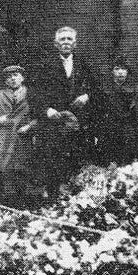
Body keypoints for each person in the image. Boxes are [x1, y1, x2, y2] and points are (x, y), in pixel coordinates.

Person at [32, 26, 100, 189]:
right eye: (62, 39)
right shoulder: (45, 65)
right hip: (55, 124)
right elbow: (35, 93)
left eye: (69, 39)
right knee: (54, 164)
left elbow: (97, 88)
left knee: (77, 163)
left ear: (75, 43)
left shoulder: (84, 64)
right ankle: (54, 202)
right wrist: (47, 110)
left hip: (79, 124)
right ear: (56, 44)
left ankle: (75, 201)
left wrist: (86, 96)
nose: (66, 42)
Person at [0, 64, 36, 204]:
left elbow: (38, 116)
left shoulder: (30, 94)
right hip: (2, 137)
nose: (13, 79)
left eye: (16, 75)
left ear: (22, 78)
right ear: (5, 81)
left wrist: (29, 126)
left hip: (21, 136)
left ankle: (20, 203)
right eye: (9, 77)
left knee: (20, 169)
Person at [95, 56, 138, 164]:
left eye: (123, 69)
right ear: (112, 71)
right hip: (109, 131)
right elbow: (98, 112)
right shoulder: (104, 90)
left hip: (127, 131)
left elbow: (136, 116)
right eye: (117, 69)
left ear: (127, 71)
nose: (120, 72)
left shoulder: (133, 90)